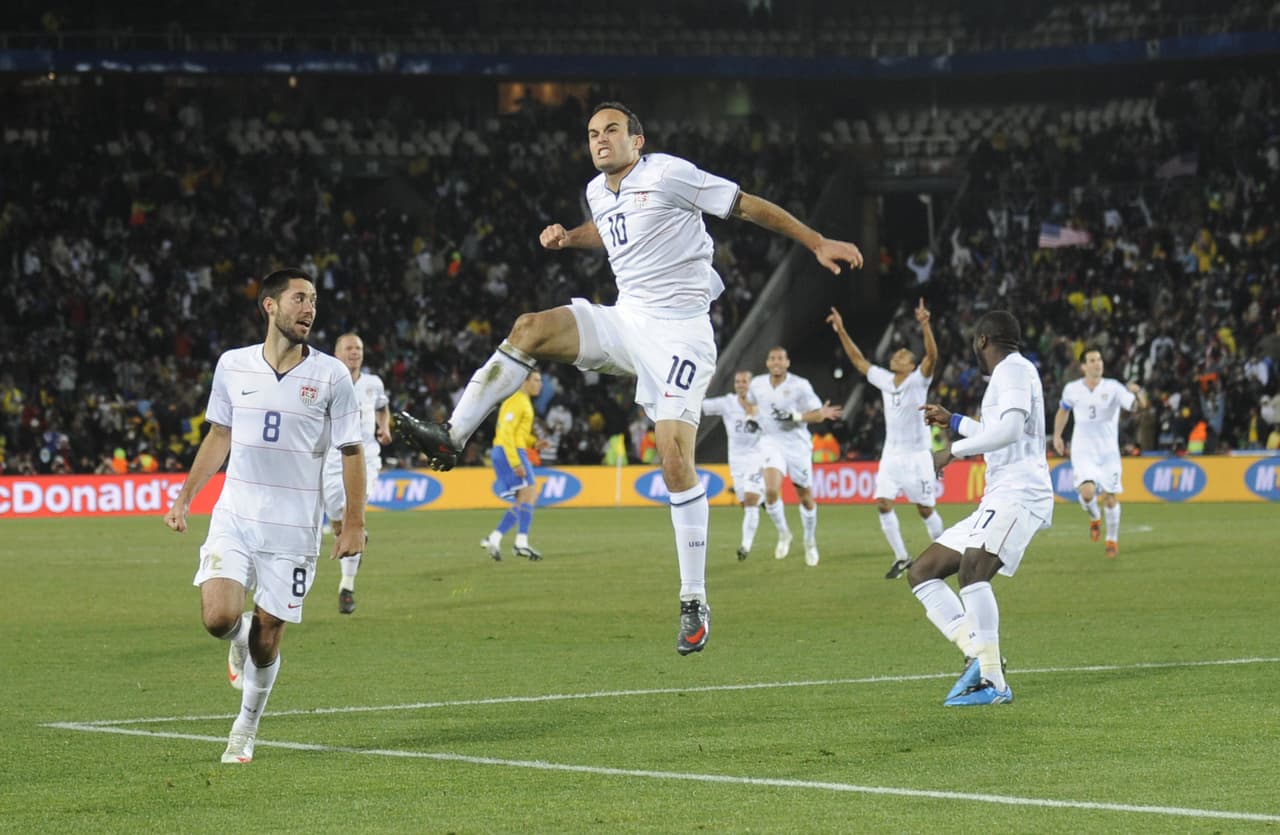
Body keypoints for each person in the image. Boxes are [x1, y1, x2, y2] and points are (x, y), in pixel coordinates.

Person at [396, 101, 864, 655]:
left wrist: (815, 242)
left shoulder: (669, 173)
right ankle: (453, 435)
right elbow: (611, 230)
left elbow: (746, 206)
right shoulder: (598, 191)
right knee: (529, 328)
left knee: (672, 458)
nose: (600, 140)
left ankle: (693, 599)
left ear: (636, 140)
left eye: (612, 130)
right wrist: (571, 238)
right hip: (626, 319)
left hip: (681, 334)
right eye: (592, 133)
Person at [163, 269, 365, 762]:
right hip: (235, 514)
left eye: (314, 299)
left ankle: (245, 727)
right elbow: (219, 434)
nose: (309, 308)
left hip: (294, 528)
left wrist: (353, 521)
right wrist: (187, 495)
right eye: (299, 298)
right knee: (219, 617)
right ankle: (237, 636)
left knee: (268, 635)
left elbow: (352, 450)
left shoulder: (331, 375)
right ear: (270, 306)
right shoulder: (233, 366)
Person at [910, 310, 1052, 706]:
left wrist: (950, 451)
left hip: (1020, 492)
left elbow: (1008, 433)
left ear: (983, 341)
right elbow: (998, 430)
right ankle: (978, 652)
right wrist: (953, 420)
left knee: (973, 570)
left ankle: (994, 682)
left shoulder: (1013, 371)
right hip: (998, 494)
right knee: (923, 572)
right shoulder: (1010, 375)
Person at [827, 299, 944, 580]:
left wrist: (925, 325)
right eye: (897, 352)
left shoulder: (919, 379)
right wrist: (841, 331)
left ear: (912, 364)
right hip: (891, 454)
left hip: (917, 455)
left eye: (904, 353)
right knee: (882, 502)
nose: (898, 354)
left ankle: (946, 551)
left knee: (925, 509)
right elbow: (858, 361)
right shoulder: (883, 379)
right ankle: (902, 557)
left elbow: (932, 356)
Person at [749, 347, 844, 567]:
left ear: (787, 363)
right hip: (771, 442)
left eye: (780, 358)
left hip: (796, 444)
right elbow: (752, 404)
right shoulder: (757, 384)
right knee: (771, 490)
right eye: (772, 358)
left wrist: (795, 415)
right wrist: (750, 416)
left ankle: (809, 541)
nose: (776, 362)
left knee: (805, 497)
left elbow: (818, 414)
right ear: (767, 362)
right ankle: (784, 534)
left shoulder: (800, 385)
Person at [1052, 346, 1148, 558]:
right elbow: (1063, 411)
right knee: (1086, 493)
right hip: (1082, 450)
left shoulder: (1113, 387)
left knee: (1110, 498)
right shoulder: (1072, 389)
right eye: (1093, 360)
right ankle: (1094, 517)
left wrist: (1138, 392)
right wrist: (1057, 436)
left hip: (1108, 453)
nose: (1098, 363)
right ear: (1084, 366)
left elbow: (1137, 407)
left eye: (1100, 360)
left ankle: (1111, 540)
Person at [322, 332, 391, 614]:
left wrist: (384, 427)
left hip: (366, 458)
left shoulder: (373, 383)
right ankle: (349, 531)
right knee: (338, 523)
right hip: (331, 460)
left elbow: (383, 407)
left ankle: (346, 587)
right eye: (349, 348)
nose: (355, 352)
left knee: (353, 516)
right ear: (337, 353)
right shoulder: (325, 381)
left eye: (359, 348)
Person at [481, 370, 551, 561]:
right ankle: (519, 542)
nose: (540, 384)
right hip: (508, 451)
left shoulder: (523, 401)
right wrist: (515, 463)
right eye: (536, 380)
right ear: (524, 381)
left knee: (525, 497)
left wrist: (534, 443)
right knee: (530, 492)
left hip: (510, 450)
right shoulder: (517, 401)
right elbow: (506, 433)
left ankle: (496, 538)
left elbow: (518, 435)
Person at [702, 370, 770, 561]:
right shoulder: (727, 403)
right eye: (738, 381)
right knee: (745, 502)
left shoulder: (761, 404)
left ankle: (745, 546)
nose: (741, 384)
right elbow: (702, 406)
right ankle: (764, 497)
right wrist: (701, 386)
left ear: (751, 384)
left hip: (757, 456)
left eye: (745, 381)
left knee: (749, 500)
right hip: (736, 460)